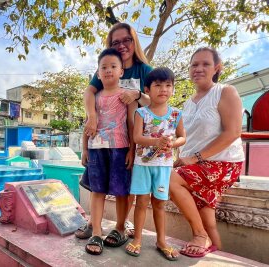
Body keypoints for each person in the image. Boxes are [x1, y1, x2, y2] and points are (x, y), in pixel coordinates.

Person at [76, 22, 153, 241]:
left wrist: (137, 95)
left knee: (124, 186)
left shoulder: (144, 70)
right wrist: (91, 117)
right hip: (99, 140)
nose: (121, 45)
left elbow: (155, 99)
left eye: (126, 40)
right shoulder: (104, 69)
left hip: (133, 137)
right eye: (115, 41)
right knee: (97, 186)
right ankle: (94, 225)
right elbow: (89, 93)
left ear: (134, 41)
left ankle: (120, 226)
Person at [169, 47, 245, 258]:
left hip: (223, 163)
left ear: (216, 68)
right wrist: (179, 159)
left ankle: (199, 235)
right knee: (208, 218)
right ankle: (216, 252)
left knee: (168, 180)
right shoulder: (188, 103)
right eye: (194, 64)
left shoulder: (225, 91)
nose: (198, 69)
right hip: (197, 165)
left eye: (205, 64)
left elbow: (233, 132)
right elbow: (189, 138)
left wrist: (194, 158)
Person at [124, 67, 185, 261]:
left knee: (160, 204)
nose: (163, 89)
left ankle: (161, 241)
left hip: (163, 166)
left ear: (173, 89)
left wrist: (173, 143)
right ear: (148, 90)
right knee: (141, 203)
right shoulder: (142, 113)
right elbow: (136, 137)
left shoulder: (176, 114)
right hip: (143, 165)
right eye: (158, 85)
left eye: (168, 85)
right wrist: (155, 142)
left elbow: (183, 137)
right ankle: (138, 239)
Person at [81, 48, 137, 255]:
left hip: (120, 149)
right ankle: (96, 231)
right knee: (97, 191)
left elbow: (132, 124)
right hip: (97, 150)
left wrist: (132, 149)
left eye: (113, 66)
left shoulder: (126, 96)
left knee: (122, 192)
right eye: (103, 67)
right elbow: (88, 124)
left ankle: (120, 228)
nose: (108, 70)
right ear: (98, 73)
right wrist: (84, 149)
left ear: (121, 71)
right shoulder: (94, 98)